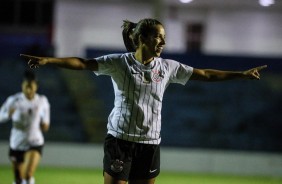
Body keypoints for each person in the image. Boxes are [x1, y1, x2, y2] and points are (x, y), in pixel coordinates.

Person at [20, 18, 266, 184]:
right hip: (119, 141)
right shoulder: (119, 62)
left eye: (164, 37)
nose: (164, 42)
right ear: (143, 38)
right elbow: (83, 63)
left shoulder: (169, 67)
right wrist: (48, 61)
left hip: (150, 144)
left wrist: (240, 75)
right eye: (159, 37)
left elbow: (205, 74)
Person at [0, 70, 50, 184]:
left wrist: (44, 124)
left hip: (35, 142)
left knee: (28, 175)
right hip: (17, 143)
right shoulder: (13, 100)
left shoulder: (42, 101)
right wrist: (7, 115)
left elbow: (46, 121)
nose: (28, 90)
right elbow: (0, 116)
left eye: (31, 87)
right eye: (26, 86)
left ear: (36, 87)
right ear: (22, 86)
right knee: (18, 179)